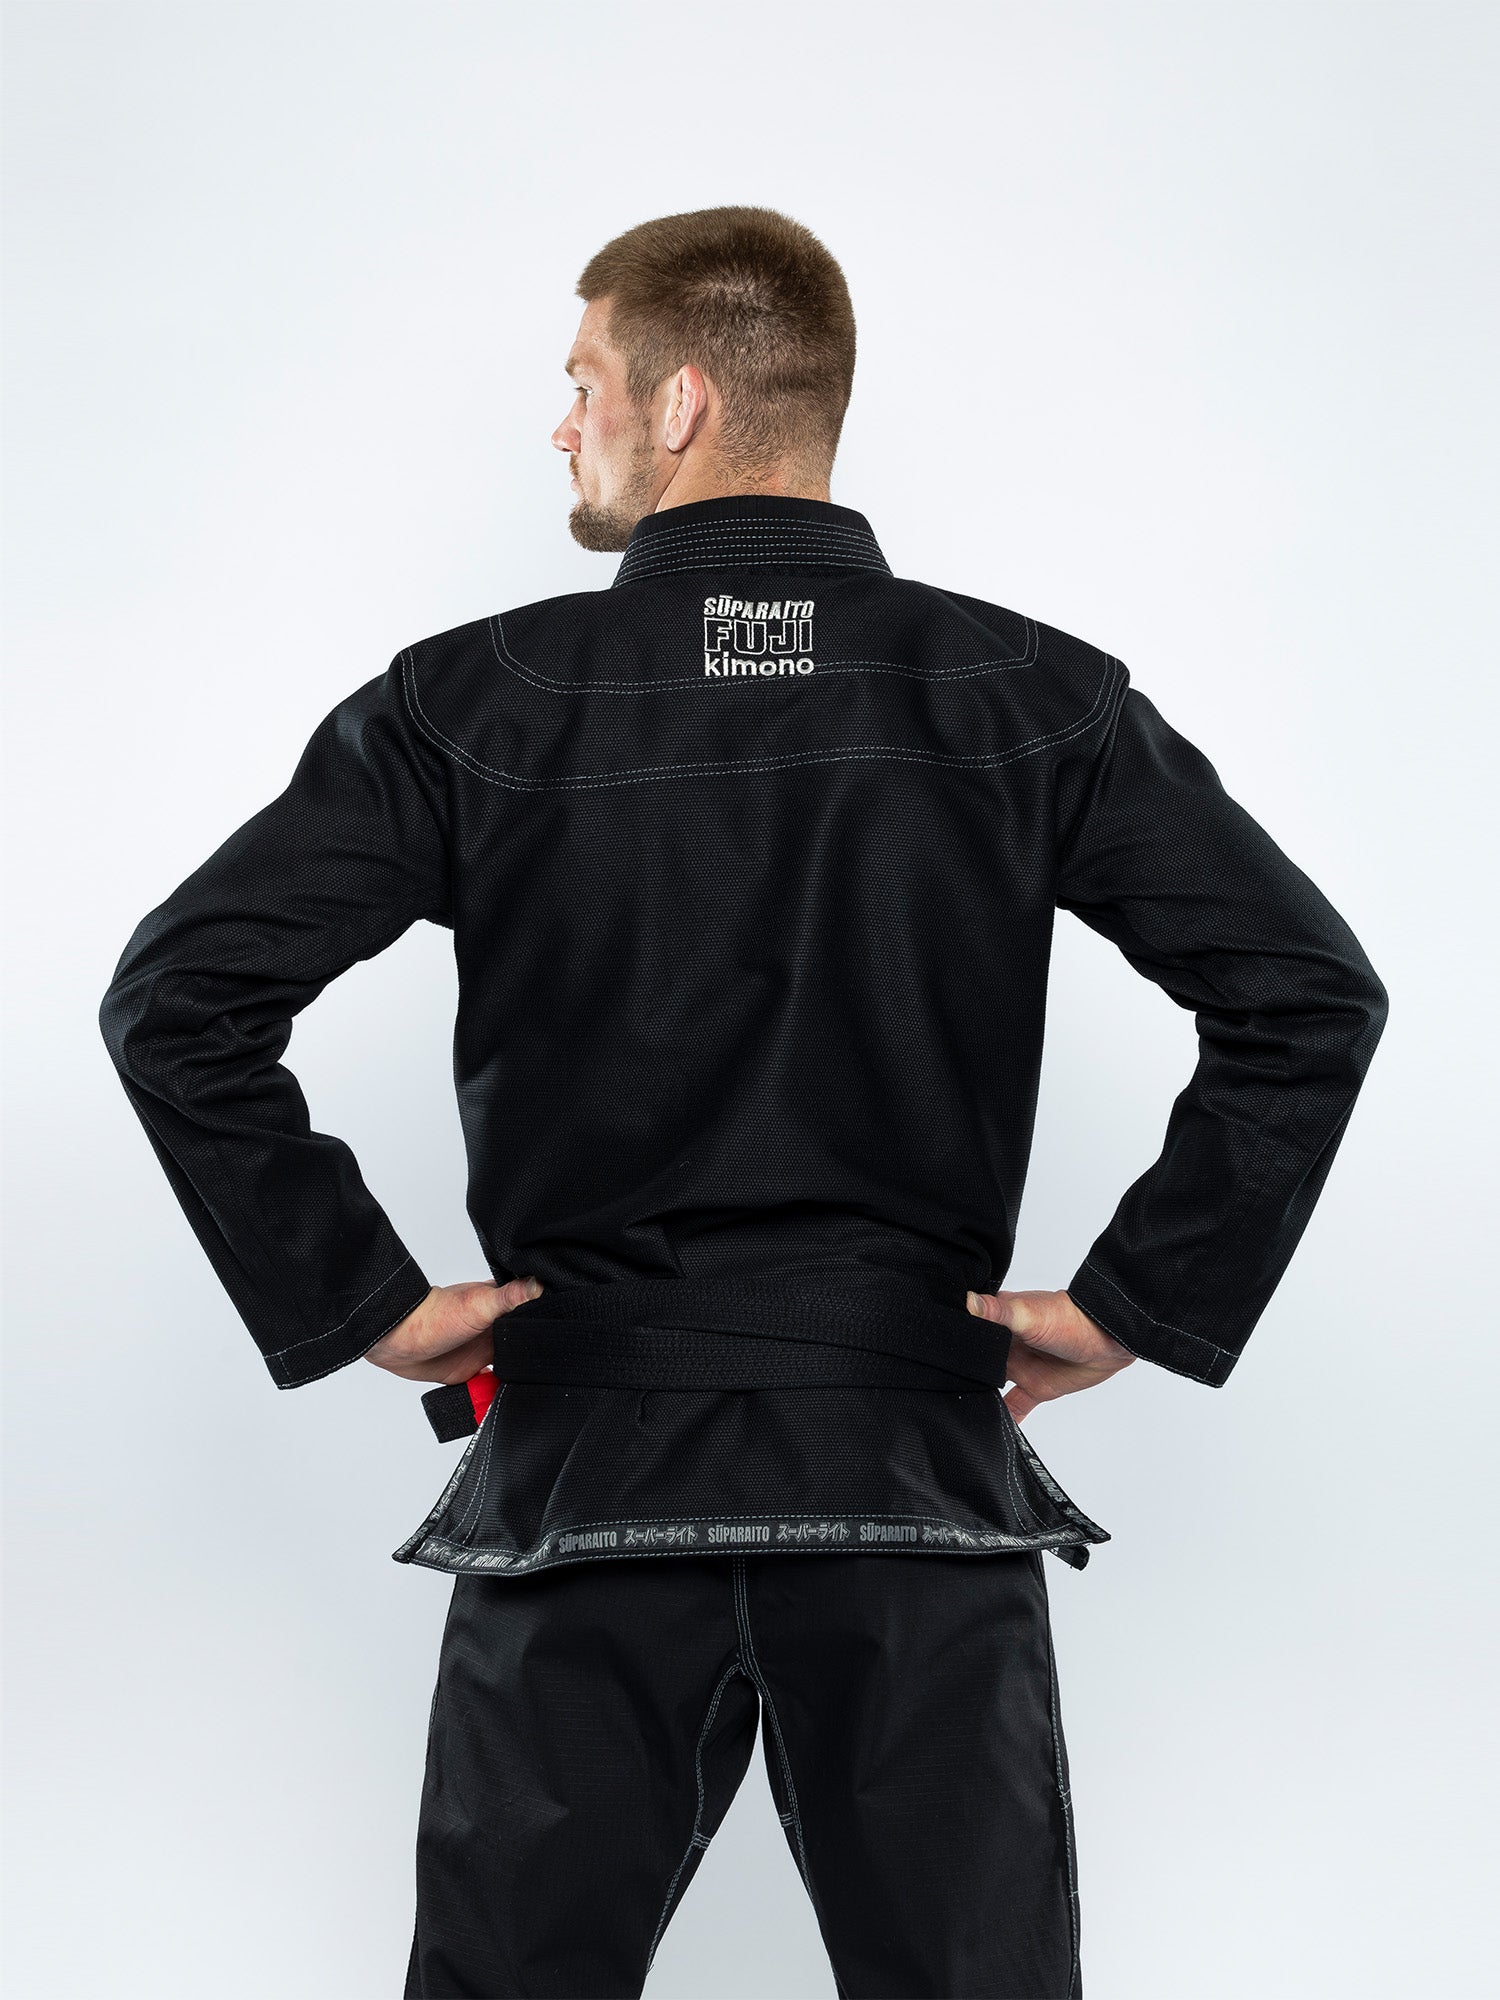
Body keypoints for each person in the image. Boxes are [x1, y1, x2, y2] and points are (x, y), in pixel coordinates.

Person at [97, 205, 1388, 1999]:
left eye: (584, 384)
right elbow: (1307, 991)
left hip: (582, 1474)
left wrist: (366, 1304)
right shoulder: (1029, 697)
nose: (565, 425)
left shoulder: (471, 706)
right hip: (910, 1483)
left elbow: (181, 998)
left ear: (683, 399)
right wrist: (1135, 1305)